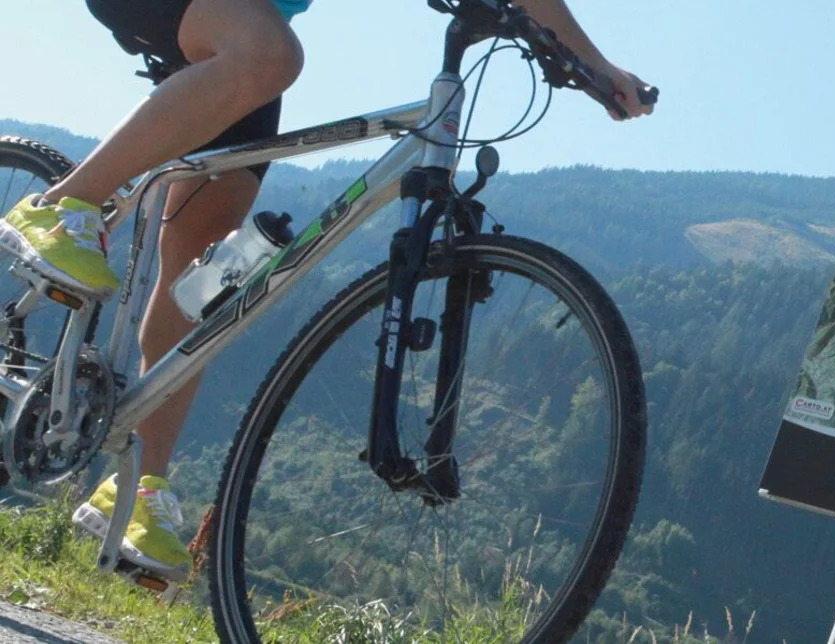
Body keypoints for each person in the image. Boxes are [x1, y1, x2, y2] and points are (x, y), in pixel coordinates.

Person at [5, 0, 653, 584]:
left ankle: (140, 487)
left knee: (198, 283)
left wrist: (593, 68)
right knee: (268, 57)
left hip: (238, 17)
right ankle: (62, 205)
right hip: (231, 24)